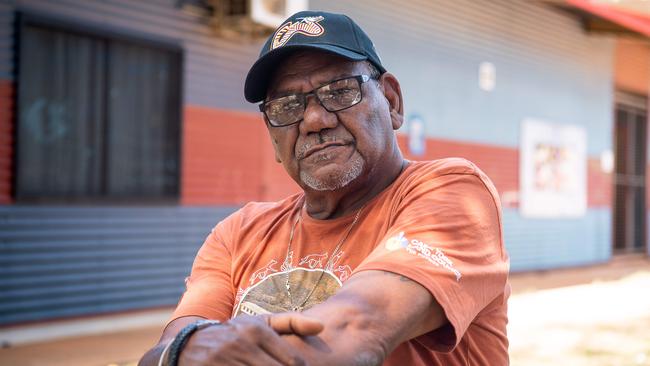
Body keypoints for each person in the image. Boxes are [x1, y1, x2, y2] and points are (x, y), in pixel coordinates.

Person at [140, 10, 510, 366]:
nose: (314, 121)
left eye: (339, 91)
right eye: (287, 106)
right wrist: (181, 352)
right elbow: (162, 353)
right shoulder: (237, 234)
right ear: (273, 139)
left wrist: (197, 352)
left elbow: (354, 331)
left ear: (392, 102)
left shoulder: (452, 191)